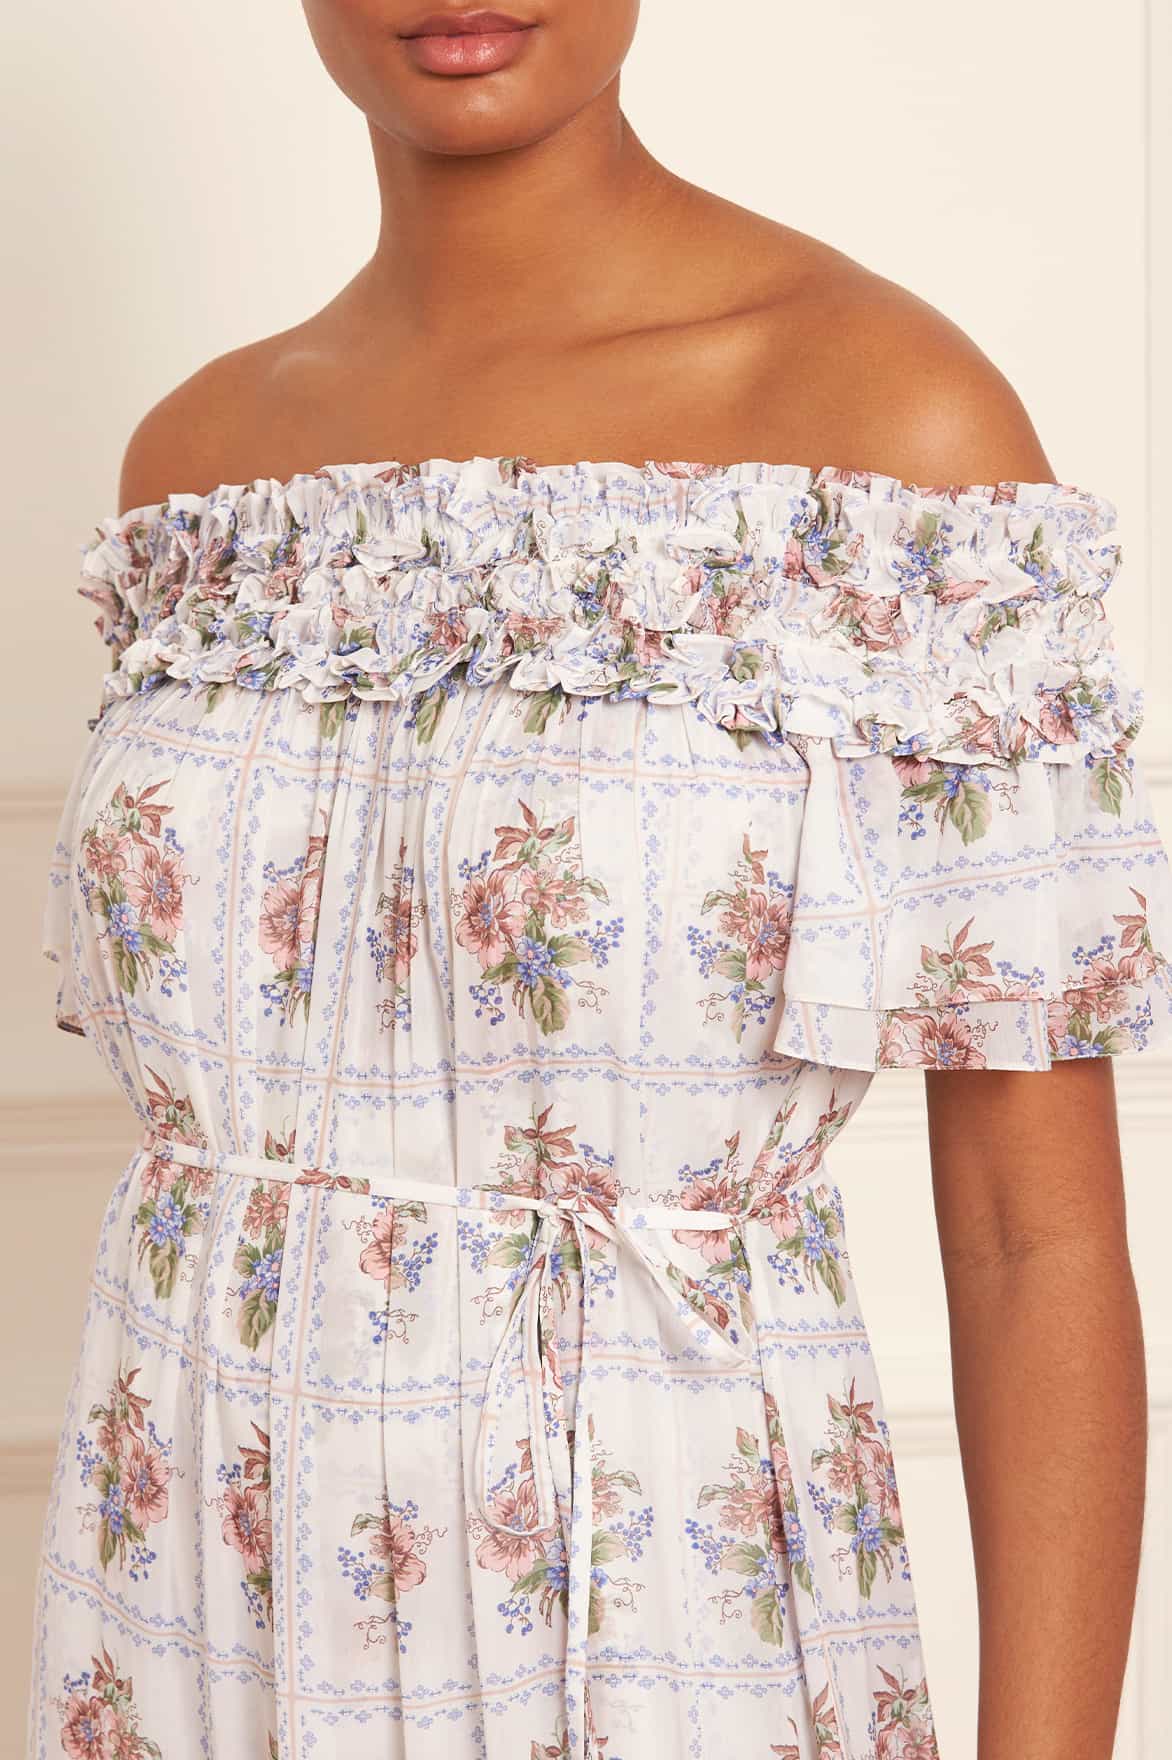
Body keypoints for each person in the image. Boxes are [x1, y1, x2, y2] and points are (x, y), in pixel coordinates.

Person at [30, 5, 1171, 1758]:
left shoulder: (887, 430)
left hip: (657, 1629)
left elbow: (1038, 1238)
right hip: (193, 1592)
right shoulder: (200, 472)